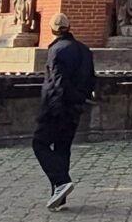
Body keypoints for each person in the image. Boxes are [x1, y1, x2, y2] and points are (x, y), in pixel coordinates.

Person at [34, 12, 96, 209]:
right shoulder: (85, 51)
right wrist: (81, 99)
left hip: (57, 107)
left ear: (52, 30)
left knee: (39, 143)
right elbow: (91, 80)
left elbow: (56, 83)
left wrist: (49, 108)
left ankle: (61, 182)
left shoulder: (57, 50)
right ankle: (59, 197)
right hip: (75, 107)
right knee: (62, 148)